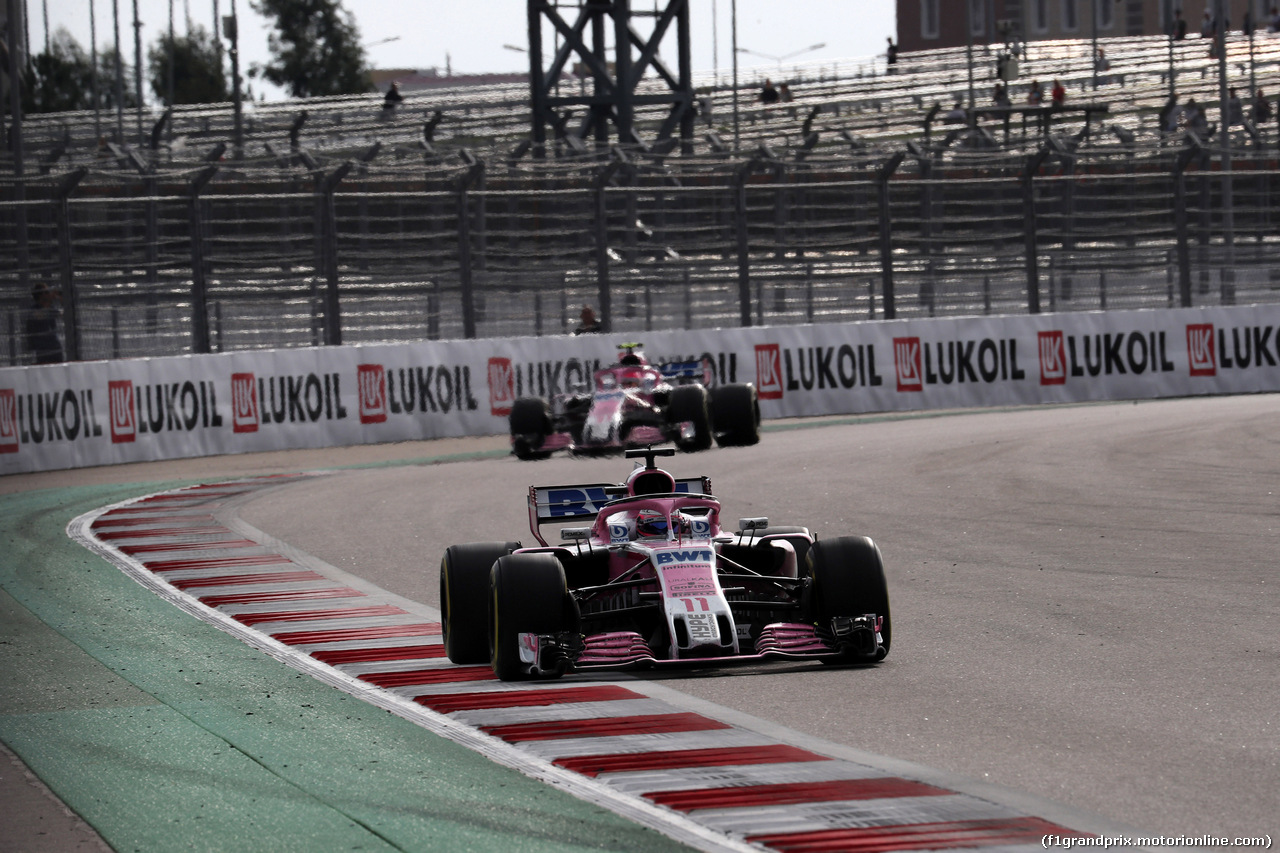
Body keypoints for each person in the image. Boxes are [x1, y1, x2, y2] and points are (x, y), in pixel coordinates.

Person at [26, 281, 63, 364]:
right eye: (46, 292)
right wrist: (49, 300)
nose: (49, 294)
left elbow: (64, 316)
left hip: (55, 347)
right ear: (40, 295)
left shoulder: (51, 308)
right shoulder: (34, 309)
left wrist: (63, 301)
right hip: (43, 350)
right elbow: (39, 315)